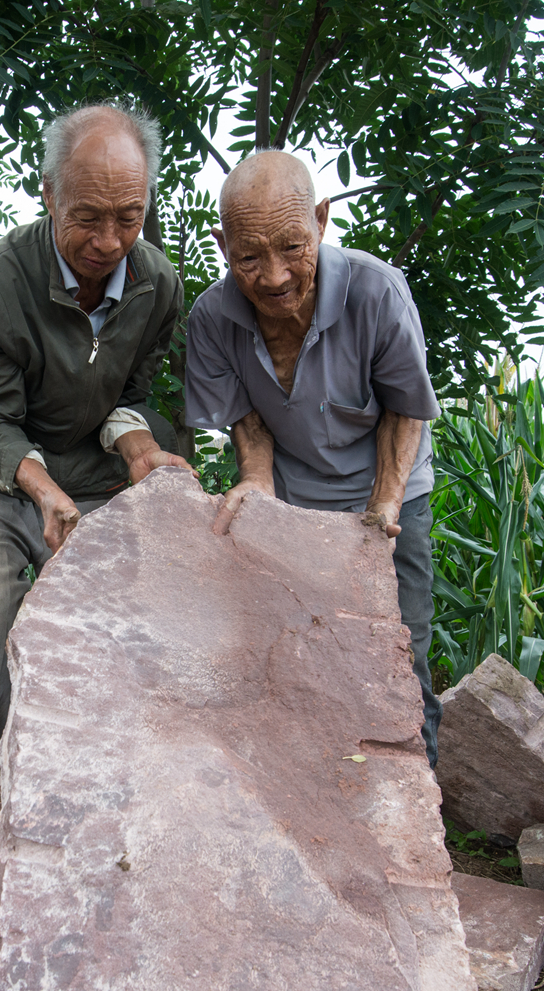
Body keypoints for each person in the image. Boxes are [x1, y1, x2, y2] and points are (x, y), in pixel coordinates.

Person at [0, 102, 190, 851]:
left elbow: (131, 395)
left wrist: (139, 452)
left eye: (128, 218)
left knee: (109, 629)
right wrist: (44, 493)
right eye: (87, 218)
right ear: (47, 195)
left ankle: (94, 800)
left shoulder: (158, 286)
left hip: (93, 480)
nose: (108, 241)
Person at [185, 150, 444, 765]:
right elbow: (244, 417)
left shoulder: (377, 291)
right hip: (293, 498)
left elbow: (406, 408)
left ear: (322, 220)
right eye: (249, 256)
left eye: (291, 248)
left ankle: (418, 808)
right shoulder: (212, 317)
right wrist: (255, 480)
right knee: (295, 650)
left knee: (398, 649)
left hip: (390, 489)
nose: (273, 277)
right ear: (223, 245)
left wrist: (383, 506)